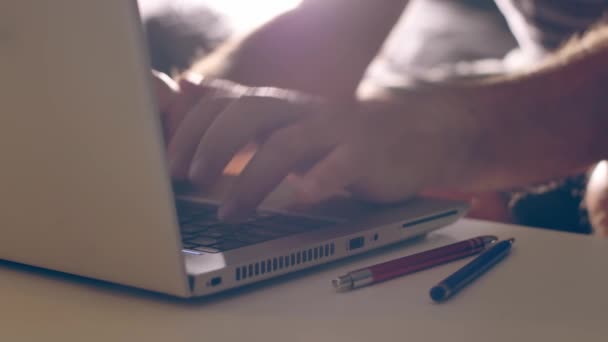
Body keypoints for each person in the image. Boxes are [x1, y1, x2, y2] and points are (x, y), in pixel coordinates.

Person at [153, 0, 608, 236]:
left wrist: (453, 132)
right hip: (539, 75)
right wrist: (183, 121)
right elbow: (336, 24)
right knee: (341, 154)